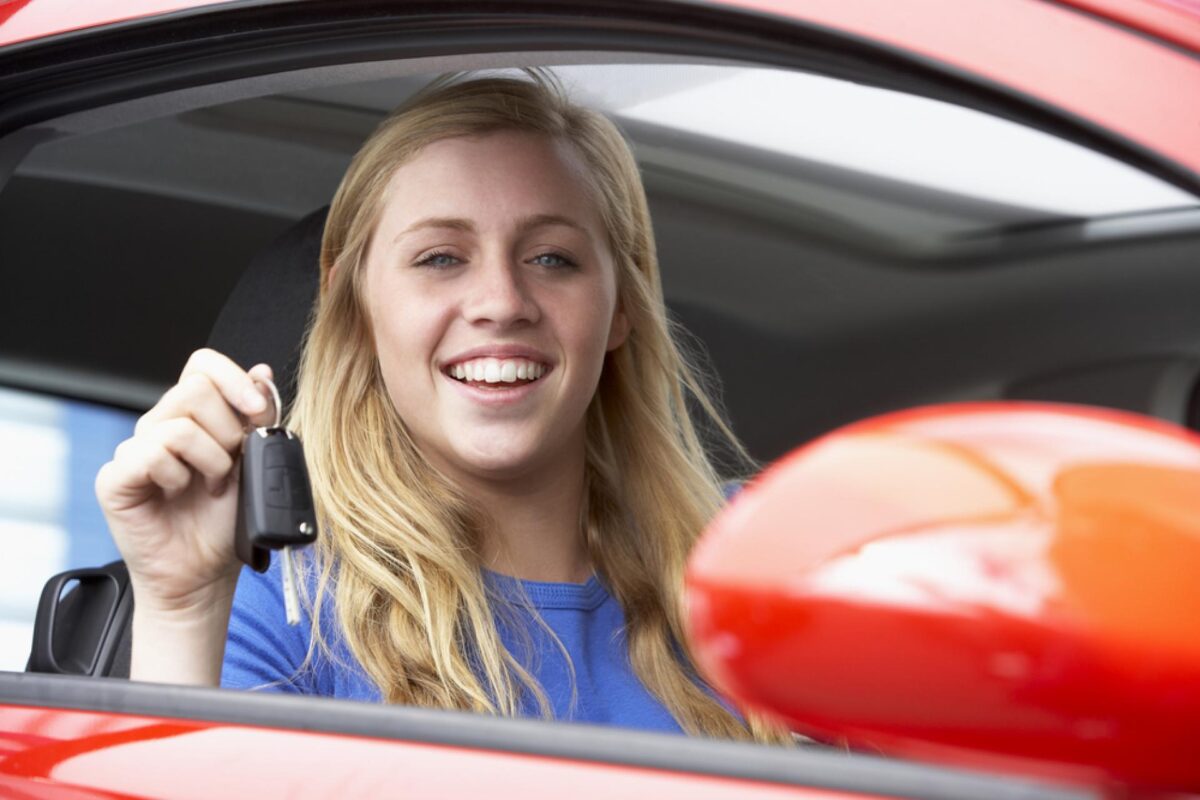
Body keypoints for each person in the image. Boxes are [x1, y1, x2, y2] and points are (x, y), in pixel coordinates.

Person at [96, 73, 781, 741]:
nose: (501, 302)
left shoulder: (763, 564)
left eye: (551, 259)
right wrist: (182, 611)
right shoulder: (283, 605)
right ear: (354, 300)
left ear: (623, 306)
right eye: (440, 258)